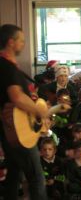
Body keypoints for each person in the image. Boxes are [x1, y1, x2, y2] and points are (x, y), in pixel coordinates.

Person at [0, 24, 48, 200]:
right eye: (21, 40)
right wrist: (39, 111)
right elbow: (17, 97)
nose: (24, 44)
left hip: (8, 131)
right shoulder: (7, 67)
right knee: (36, 178)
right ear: (11, 42)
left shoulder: (7, 66)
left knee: (13, 174)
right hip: (17, 131)